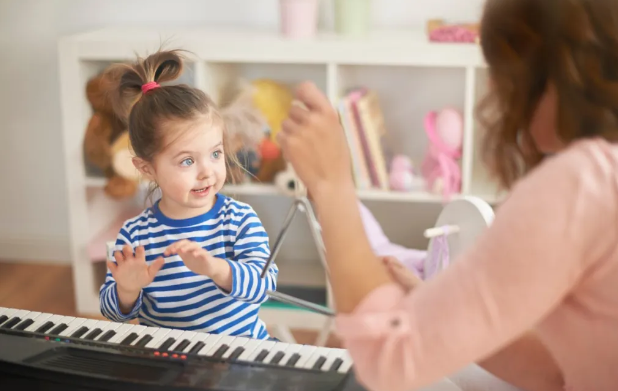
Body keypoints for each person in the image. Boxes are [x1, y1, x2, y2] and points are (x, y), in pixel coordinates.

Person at [277, 0, 618, 389]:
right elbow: (559, 373)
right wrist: (440, 307)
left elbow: (390, 361)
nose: (494, 89)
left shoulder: (577, 185)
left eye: (500, 68)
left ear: (545, 71)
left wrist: (331, 185)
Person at [98, 49, 278, 340]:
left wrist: (216, 269)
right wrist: (126, 290)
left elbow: (264, 286)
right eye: (187, 161)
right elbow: (112, 312)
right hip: (167, 361)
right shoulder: (135, 234)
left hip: (239, 355)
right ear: (147, 168)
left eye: (215, 153)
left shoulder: (239, 219)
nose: (207, 172)